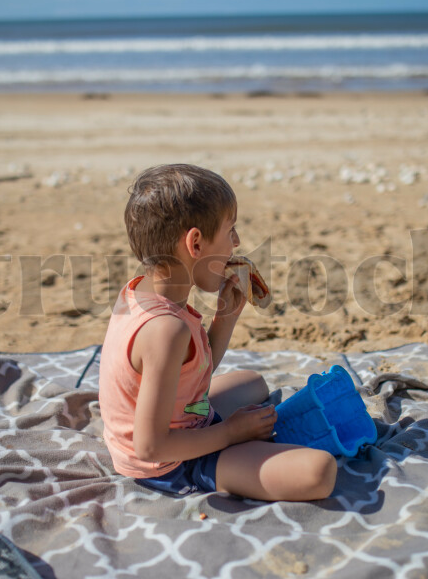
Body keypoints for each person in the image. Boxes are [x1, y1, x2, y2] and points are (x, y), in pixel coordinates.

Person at [98, 164, 337, 501]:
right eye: (230, 231)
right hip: (170, 461)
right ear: (195, 243)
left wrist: (225, 318)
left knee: (253, 382)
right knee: (320, 472)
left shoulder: (139, 291)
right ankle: (216, 461)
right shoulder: (166, 330)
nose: (236, 243)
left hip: (177, 420)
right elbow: (151, 446)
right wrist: (229, 433)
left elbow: (191, 373)